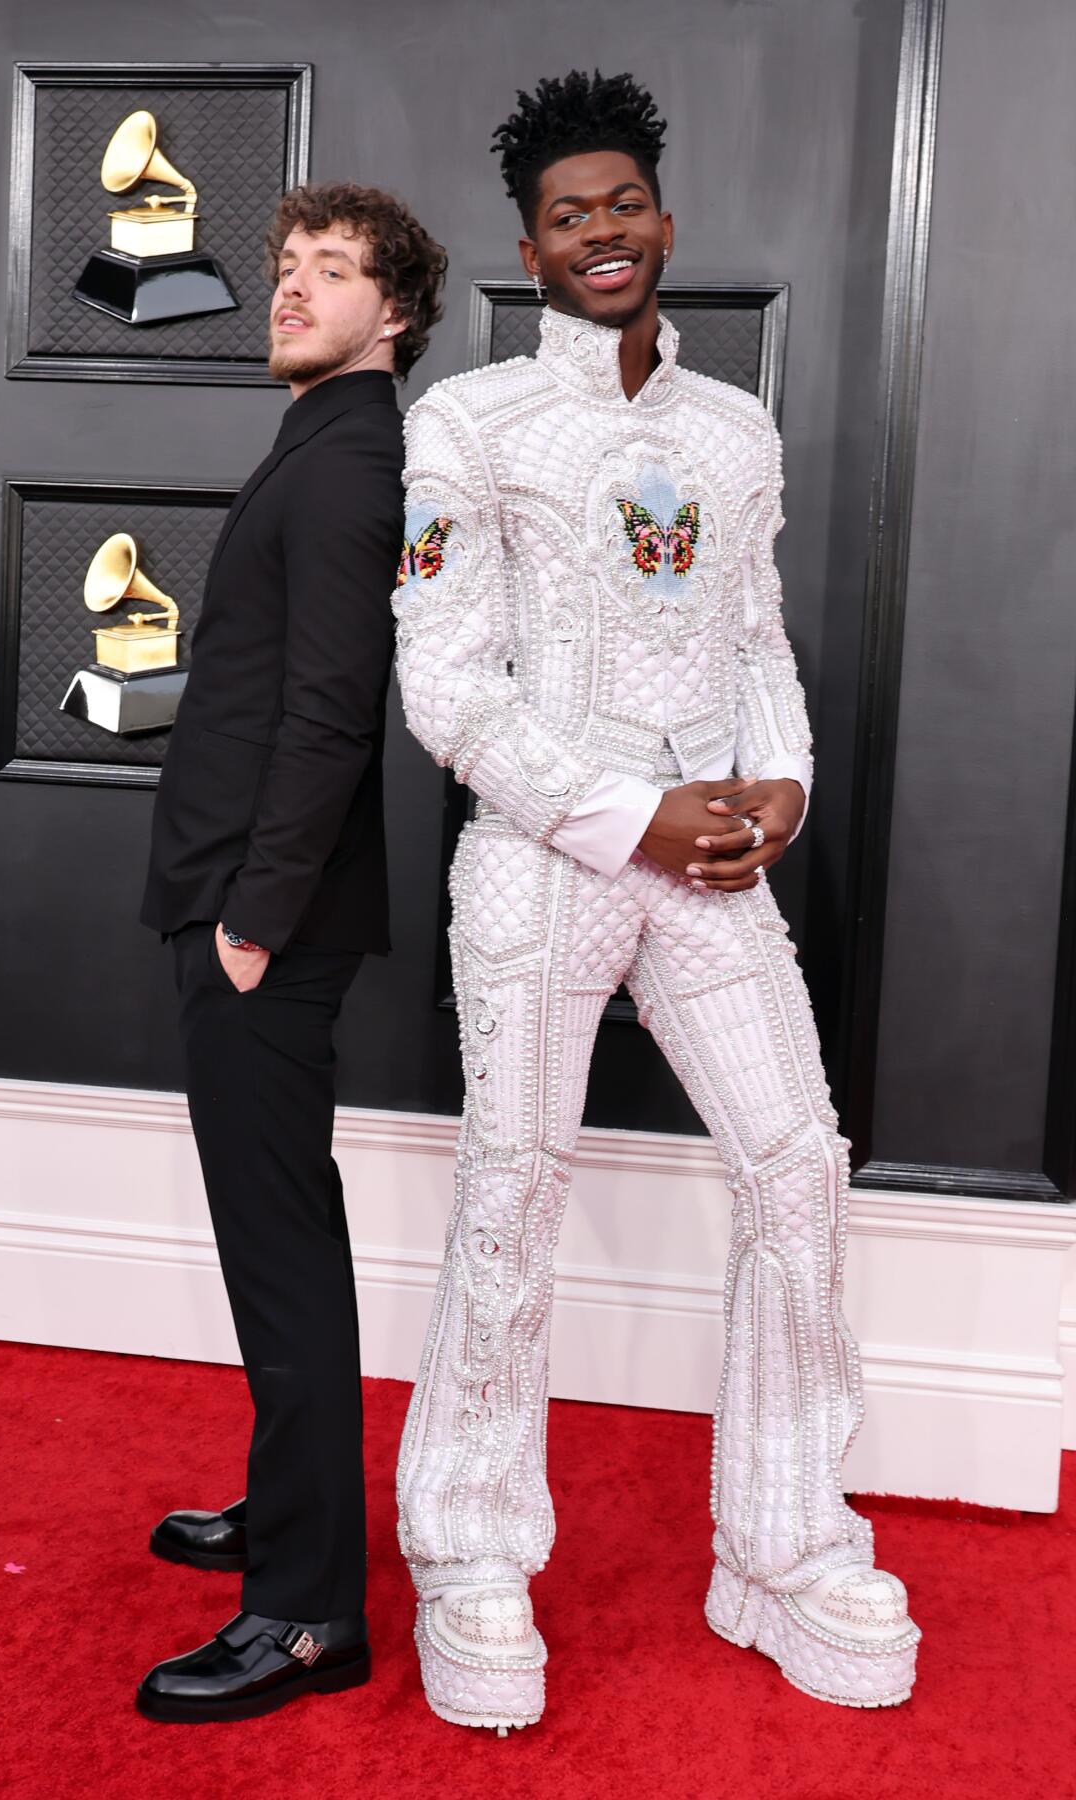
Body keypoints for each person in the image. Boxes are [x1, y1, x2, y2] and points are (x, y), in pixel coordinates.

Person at [391, 71, 919, 1733]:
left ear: (662, 222)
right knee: (514, 1189)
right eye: (568, 215)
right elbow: (446, 689)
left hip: (711, 863)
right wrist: (630, 811)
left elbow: (755, 637)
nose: (601, 233)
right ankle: (472, 1554)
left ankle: (782, 1541)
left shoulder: (735, 429)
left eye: (623, 205)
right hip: (547, 860)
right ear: (529, 246)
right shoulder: (468, 428)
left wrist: (782, 788)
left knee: (797, 1164)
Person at [136, 181, 445, 1724]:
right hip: (247, 899)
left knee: (282, 1255)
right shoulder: (324, 440)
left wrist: (254, 916)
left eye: (330, 271)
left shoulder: (350, 465)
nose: (288, 288)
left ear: (394, 312)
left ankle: (311, 1614)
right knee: (282, 1240)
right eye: (281, 266)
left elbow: (332, 713)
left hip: (266, 919)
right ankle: (292, 1519)